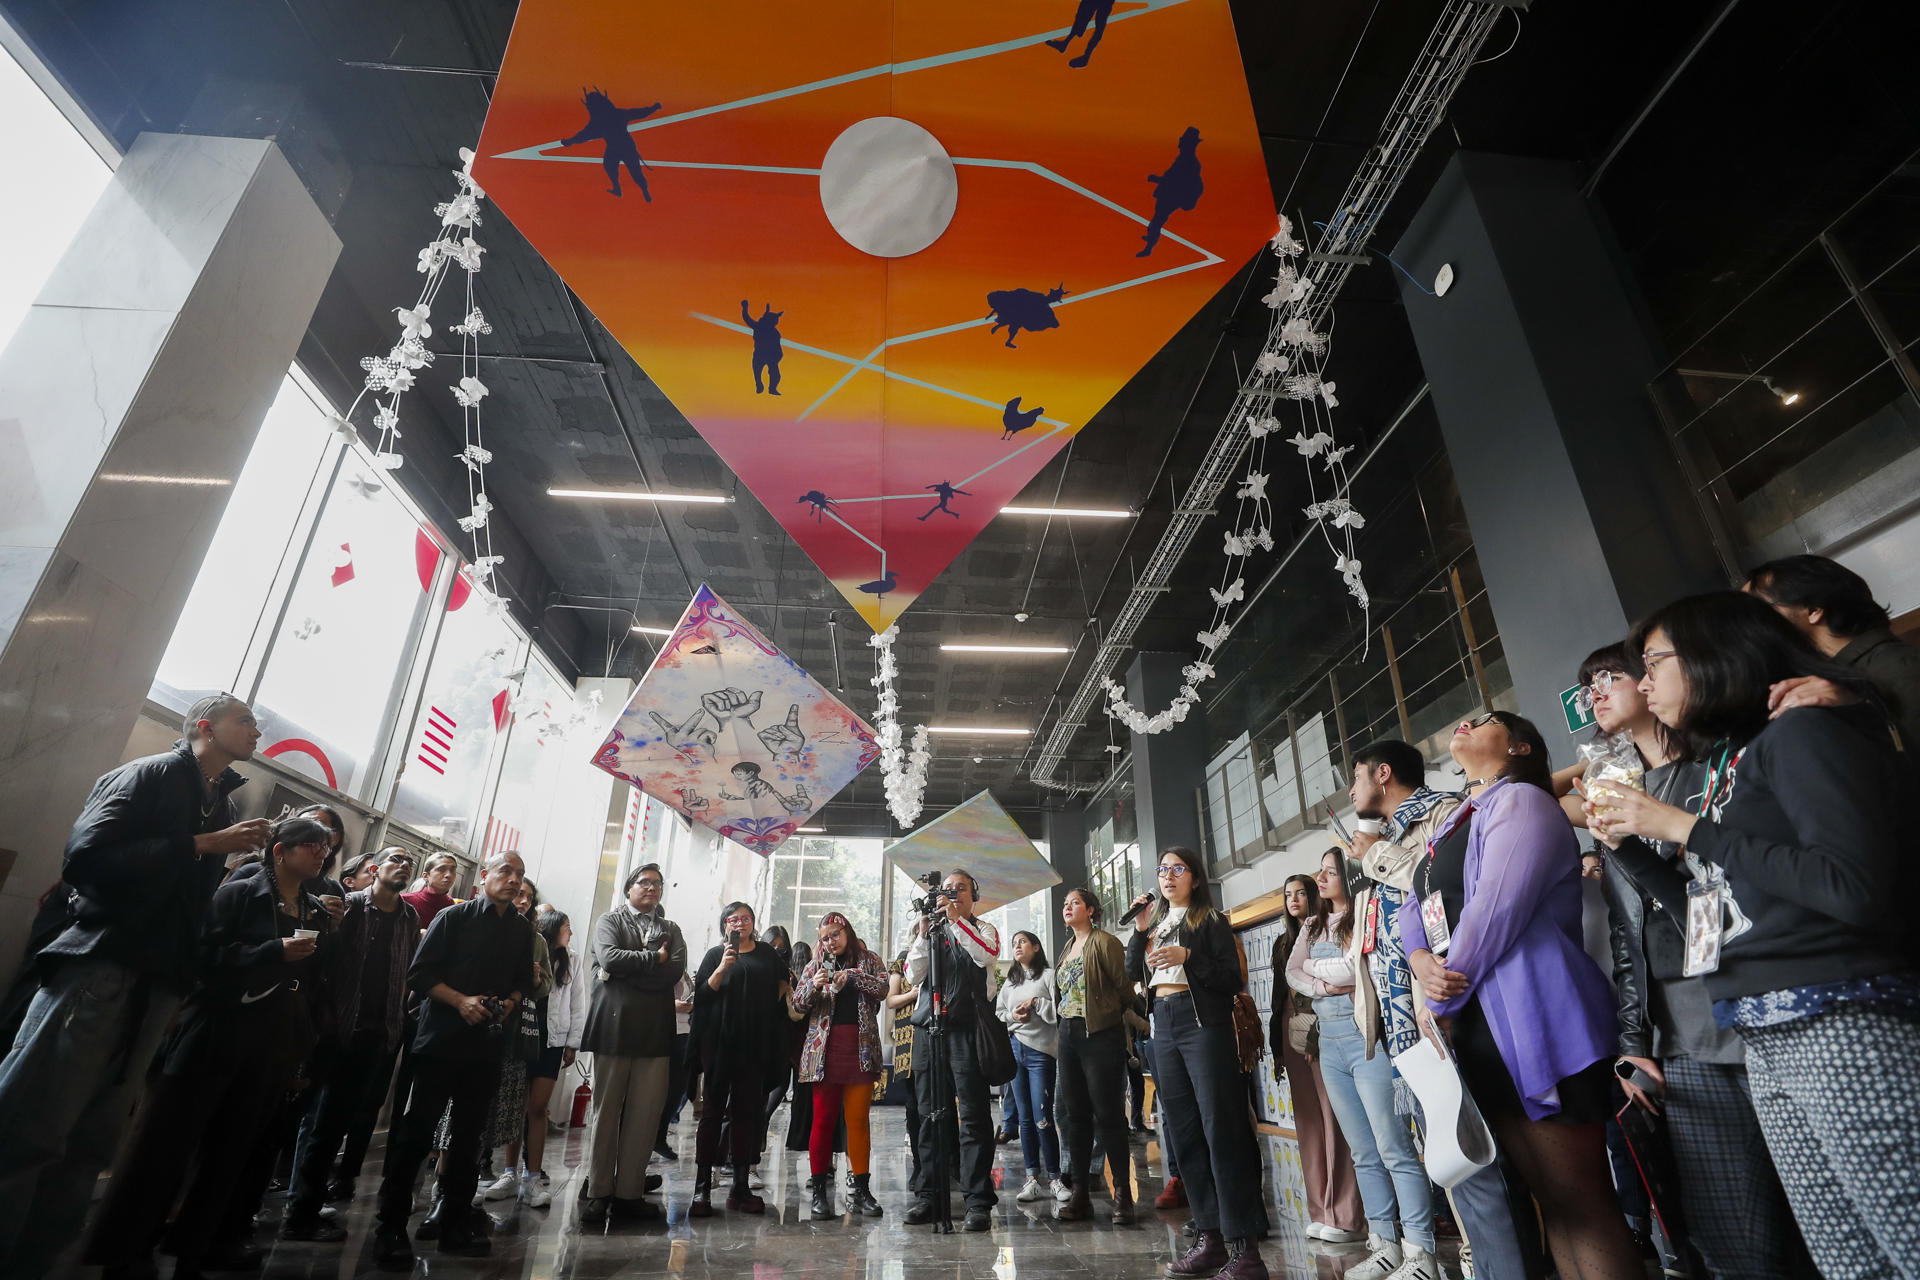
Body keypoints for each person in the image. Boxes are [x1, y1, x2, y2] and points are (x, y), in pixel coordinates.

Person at [1590, 591, 1920, 1280]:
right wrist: (1628, 847)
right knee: (1848, 1260)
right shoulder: (1724, 770)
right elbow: (1706, 923)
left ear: (1716, 655)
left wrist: (1682, 828)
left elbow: (1850, 886)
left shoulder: (1801, 734)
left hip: (1839, 1015)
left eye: (1653, 662)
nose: (1643, 683)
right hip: (1763, 1029)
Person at [1558, 643, 1808, 1279]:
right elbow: (1626, 927)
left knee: (1811, 1212)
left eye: (1613, 675)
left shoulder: (1712, 772)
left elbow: (1720, 903)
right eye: (1590, 685)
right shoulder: (1620, 789)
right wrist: (1635, 1038)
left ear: (1653, 680)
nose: (1597, 692)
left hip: (1758, 1004)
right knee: (1726, 1230)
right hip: (1679, 1029)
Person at [0, 694, 268, 1279]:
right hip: (102, 967)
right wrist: (196, 847)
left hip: (158, 983)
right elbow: (86, 857)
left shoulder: (217, 806)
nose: (257, 729)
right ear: (205, 725)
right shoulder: (147, 775)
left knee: (91, 1147)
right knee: (30, 1127)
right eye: (245, 718)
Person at [1405, 712, 1640, 1280]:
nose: (1460, 722)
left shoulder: (1525, 803)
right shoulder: (1457, 819)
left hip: (1539, 1015)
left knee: (1582, 1199)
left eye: (1481, 720)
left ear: (1519, 747)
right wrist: (1419, 963)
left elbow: (1496, 913)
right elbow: (1414, 909)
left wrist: (1441, 992)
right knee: (1551, 1202)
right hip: (1481, 1020)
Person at [86, 815, 330, 1279]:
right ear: (280, 850)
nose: (321, 853)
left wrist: (304, 1039)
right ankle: (127, 1249)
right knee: (167, 1145)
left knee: (231, 1151)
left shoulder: (315, 910)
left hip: (271, 1040)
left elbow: (316, 983)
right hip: (216, 1030)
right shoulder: (240, 891)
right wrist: (268, 952)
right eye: (311, 845)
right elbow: (204, 957)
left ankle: (195, 1248)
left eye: (324, 847)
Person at [1348, 739, 1532, 1280]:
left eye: (1356, 779)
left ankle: (1488, 1264)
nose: (1353, 791)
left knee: (1478, 1153)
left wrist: (1374, 857)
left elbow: (1444, 893)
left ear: (1383, 775)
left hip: (1448, 1004)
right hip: (1408, 1020)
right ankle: (1477, 1260)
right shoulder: (1387, 836)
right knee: (1446, 1152)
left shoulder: (1446, 814)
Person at [373, 851, 534, 1270]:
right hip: (440, 1041)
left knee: (468, 1140)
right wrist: (461, 1001)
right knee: (417, 1135)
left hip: (486, 1045)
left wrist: (510, 1004)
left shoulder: (521, 929)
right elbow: (419, 975)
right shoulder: (453, 919)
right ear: (483, 877)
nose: (514, 880)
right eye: (505, 872)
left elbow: (522, 981)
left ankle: (455, 1221)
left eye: (520, 875)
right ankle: (389, 1228)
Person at [1288, 850, 1439, 1280]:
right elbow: (1292, 971)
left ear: (1351, 879)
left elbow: (1356, 968)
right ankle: (1385, 1246)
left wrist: (1325, 975)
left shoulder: (1366, 916)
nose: (1321, 876)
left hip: (1367, 1039)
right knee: (1363, 1152)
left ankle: (1421, 1254)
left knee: (1394, 1148)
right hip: (1330, 1046)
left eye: (1331, 871)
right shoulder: (1313, 925)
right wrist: (1324, 979)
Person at [1128, 848, 1268, 1280]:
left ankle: (1245, 1251)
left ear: (1195, 878)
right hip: (1163, 1027)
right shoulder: (1159, 925)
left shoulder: (1209, 921)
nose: (1168, 876)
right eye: (1162, 870)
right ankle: (1209, 1238)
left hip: (1200, 1021)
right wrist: (1138, 930)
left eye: (1177, 869)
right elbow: (1135, 976)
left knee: (1220, 1130)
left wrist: (1188, 958)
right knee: (1184, 1133)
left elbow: (1230, 978)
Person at [283, 847, 419, 1237]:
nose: (403, 865)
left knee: (338, 1121)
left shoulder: (409, 918)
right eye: (396, 859)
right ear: (374, 869)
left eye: (407, 862)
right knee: (320, 1123)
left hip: (379, 1034)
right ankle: (301, 1212)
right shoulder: (349, 906)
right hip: (337, 1029)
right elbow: (324, 959)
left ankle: (307, 1203)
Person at [580, 863, 686, 1224]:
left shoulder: (670, 929)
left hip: (655, 1030)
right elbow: (608, 958)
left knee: (645, 1114)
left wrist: (627, 974)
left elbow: (673, 970)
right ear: (629, 889)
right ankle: (598, 1191)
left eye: (657, 884)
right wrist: (650, 960)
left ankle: (629, 1193)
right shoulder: (609, 921)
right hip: (614, 1026)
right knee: (607, 1111)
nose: (652, 888)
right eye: (644, 883)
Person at [904, 870, 1002, 1232]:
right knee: (929, 1117)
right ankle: (929, 1196)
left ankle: (978, 1202)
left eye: (960, 889)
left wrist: (957, 921)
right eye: (947, 890)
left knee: (974, 1117)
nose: (953, 894)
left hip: (967, 1031)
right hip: (930, 1033)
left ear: (974, 895)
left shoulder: (986, 929)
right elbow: (914, 975)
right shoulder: (933, 931)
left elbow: (984, 956)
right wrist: (923, 930)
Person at [1268, 873, 1363, 1244]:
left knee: (1333, 1120)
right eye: (1287, 894)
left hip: (1324, 1026)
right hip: (1291, 1028)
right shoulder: (1282, 942)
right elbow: (1280, 999)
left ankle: (1344, 1211)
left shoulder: (1327, 932)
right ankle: (1320, 1210)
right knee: (1307, 1123)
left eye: (1301, 893)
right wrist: (1278, 1048)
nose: (1294, 900)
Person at [1744, 553, 1920, 746]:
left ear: (1813, 610)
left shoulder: (1902, 670)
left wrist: (1860, 710)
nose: (1748, 627)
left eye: (1758, 611)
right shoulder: (1824, 679)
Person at [789, 911, 889, 1218]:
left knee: (858, 1120)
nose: (830, 942)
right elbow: (797, 1005)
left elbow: (884, 989)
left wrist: (855, 978)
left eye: (835, 935)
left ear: (846, 931)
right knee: (823, 1120)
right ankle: (819, 1189)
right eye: (824, 938)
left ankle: (861, 1189)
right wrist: (813, 986)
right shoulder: (814, 964)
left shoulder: (868, 959)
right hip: (824, 1051)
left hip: (860, 1048)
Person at [691, 901, 787, 1215]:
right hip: (718, 1044)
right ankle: (702, 1188)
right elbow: (703, 997)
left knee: (748, 1114)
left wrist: (762, 1011)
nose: (740, 923)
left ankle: (741, 1186)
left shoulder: (766, 954)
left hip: (754, 1044)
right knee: (712, 1113)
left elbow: (783, 983)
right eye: (734, 919)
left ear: (753, 923)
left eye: (746, 918)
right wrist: (722, 967)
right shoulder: (714, 955)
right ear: (725, 925)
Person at [1055, 888, 1137, 1225]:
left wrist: (1106, 1016)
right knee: (1075, 1116)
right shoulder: (1067, 947)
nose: (1067, 908)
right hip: (1068, 1032)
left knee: (1108, 1115)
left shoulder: (1105, 942)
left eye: (1074, 903)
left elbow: (1123, 987)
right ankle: (1080, 1194)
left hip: (1100, 1033)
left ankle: (1122, 1194)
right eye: (1064, 904)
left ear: (1091, 910)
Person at [517, 905, 585, 1208]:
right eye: (566, 927)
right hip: (523, 1034)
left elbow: (577, 1003)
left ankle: (531, 1175)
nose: (569, 932)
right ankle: (509, 1172)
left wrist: (572, 1043)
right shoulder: (530, 952)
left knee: (538, 1106)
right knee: (516, 1104)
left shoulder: (572, 960)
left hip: (553, 1040)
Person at [995, 929, 1064, 1205]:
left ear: (1036, 947)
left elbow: (1060, 1010)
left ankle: (1056, 1178)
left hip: (1041, 1053)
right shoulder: (1010, 982)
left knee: (1042, 1117)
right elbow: (999, 1015)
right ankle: (1032, 1177)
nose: (1017, 946)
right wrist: (1014, 1014)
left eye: (1022, 942)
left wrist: (1036, 1003)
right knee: (1024, 1119)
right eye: (1014, 944)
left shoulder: (1048, 976)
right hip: (1015, 1051)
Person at [886, 952, 922, 1185]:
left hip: (931, 1035)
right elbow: (891, 1000)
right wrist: (913, 993)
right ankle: (918, 1164)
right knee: (913, 1104)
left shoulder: (939, 951)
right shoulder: (903, 959)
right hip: (907, 1037)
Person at [655, 970, 695, 1162]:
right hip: (667, 1032)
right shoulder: (660, 970)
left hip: (685, 1032)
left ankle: (659, 1135)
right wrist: (673, 1006)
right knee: (666, 1090)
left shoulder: (683, 973)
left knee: (679, 1088)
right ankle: (655, 1137)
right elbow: (650, 999)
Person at [403, 853, 460, 930]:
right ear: (426, 876)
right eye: (441, 869)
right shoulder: (404, 901)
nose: (449, 875)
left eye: (452, 870)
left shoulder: (455, 908)